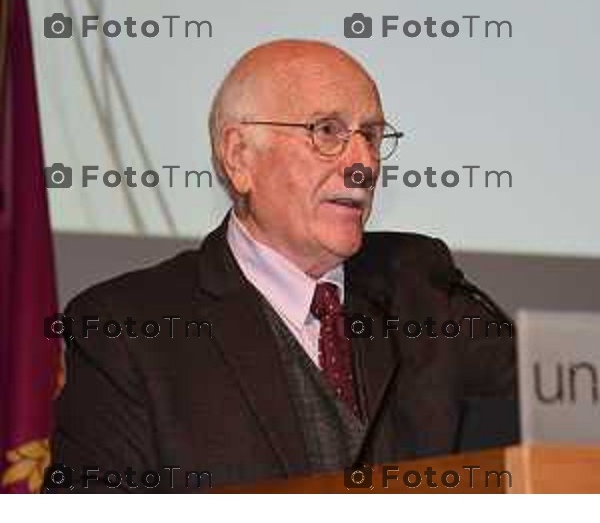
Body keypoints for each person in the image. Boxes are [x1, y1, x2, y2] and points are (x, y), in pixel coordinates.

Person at [50, 39, 518, 492]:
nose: (364, 165)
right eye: (327, 131)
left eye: (371, 136)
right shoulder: (127, 329)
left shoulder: (423, 287)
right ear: (239, 157)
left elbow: (557, 423)